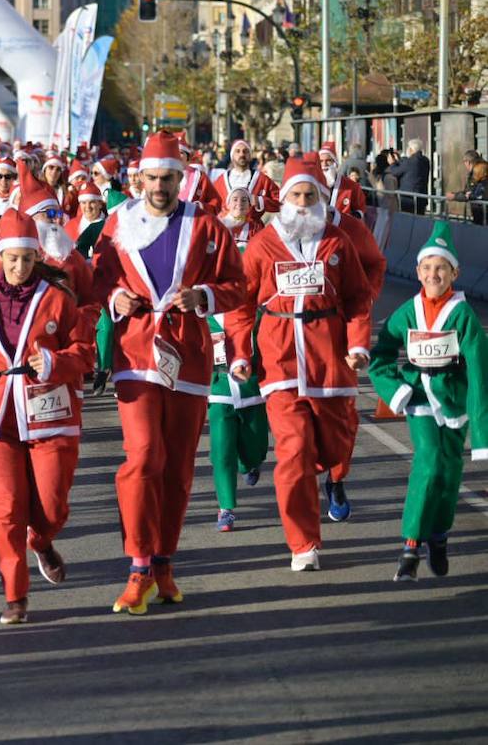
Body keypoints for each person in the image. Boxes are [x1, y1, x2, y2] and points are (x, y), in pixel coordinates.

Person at [92, 132, 245, 614]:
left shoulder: (206, 225)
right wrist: (114, 299)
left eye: (168, 178)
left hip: (190, 354)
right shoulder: (119, 221)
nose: (159, 185)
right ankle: (137, 565)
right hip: (136, 353)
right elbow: (97, 276)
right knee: (142, 458)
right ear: (139, 179)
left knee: (178, 468)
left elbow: (238, 285)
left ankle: (163, 562)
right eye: (152, 177)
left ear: (182, 179)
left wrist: (204, 298)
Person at [225, 159, 373, 571]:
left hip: (330, 360)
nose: (303, 203)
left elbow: (360, 299)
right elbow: (240, 305)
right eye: (296, 195)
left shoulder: (338, 242)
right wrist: (241, 353)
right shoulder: (263, 246)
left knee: (337, 445)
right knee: (293, 452)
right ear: (284, 200)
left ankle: (333, 477)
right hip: (281, 361)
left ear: (321, 199)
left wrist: (359, 345)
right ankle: (303, 543)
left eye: (310, 196)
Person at [0, 210, 92, 624]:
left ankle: (42, 541)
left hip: (49, 413)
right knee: (7, 508)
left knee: (51, 504)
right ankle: (15, 595)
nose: (19, 266)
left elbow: (85, 352)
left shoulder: (58, 299)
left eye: (27, 258)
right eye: (12, 258)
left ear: (36, 256)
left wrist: (51, 360)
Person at [369, 222, 488, 580]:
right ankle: (410, 545)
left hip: (453, 401)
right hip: (418, 398)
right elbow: (381, 356)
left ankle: (438, 536)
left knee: (450, 474)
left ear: (455, 272)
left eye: (441, 268)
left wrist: (482, 436)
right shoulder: (406, 313)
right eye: (427, 267)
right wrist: (396, 391)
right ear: (418, 271)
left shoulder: (464, 315)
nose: (433, 274)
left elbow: (481, 375)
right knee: (430, 462)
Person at [208, 187, 269, 532]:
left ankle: (253, 463)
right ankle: (226, 508)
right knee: (221, 450)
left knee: (256, 446)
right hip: (217, 385)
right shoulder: (203, 307)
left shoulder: (256, 311)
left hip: (252, 386)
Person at [387, 138, 431, 214]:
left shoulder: (409, 162)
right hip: (421, 199)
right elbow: (411, 170)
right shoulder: (425, 160)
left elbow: (395, 172)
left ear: (411, 150)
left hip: (408, 200)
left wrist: (392, 163)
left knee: (407, 221)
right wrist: (400, 160)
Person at [449, 159, 488, 225]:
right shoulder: (479, 183)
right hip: (479, 217)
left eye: (476, 173)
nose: (474, 175)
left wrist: (469, 196)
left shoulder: (484, 184)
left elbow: (480, 195)